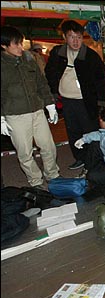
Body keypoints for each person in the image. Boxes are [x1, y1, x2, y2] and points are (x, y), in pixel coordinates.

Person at [45, 20, 105, 172]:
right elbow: (50, 74)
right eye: (71, 37)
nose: (75, 41)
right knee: (73, 131)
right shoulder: (57, 53)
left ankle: (94, 161)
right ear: (64, 37)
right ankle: (80, 158)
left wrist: (103, 103)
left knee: (91, 131)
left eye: (79, 37)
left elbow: (101, 81)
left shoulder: (91, 56)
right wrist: (53, 95)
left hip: (86, 101)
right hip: (66, 101)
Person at [1, 25, 60, 189]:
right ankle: (36, 181)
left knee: (48, 146)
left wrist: (50, 104)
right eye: (16, 44)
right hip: (15, 115)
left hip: (37, 110)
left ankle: (53, 174)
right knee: (25, 152)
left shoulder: (29, 59)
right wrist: (1, 118)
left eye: (21, 43)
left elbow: (42, 83)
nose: (21, 47)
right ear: (4, 46)